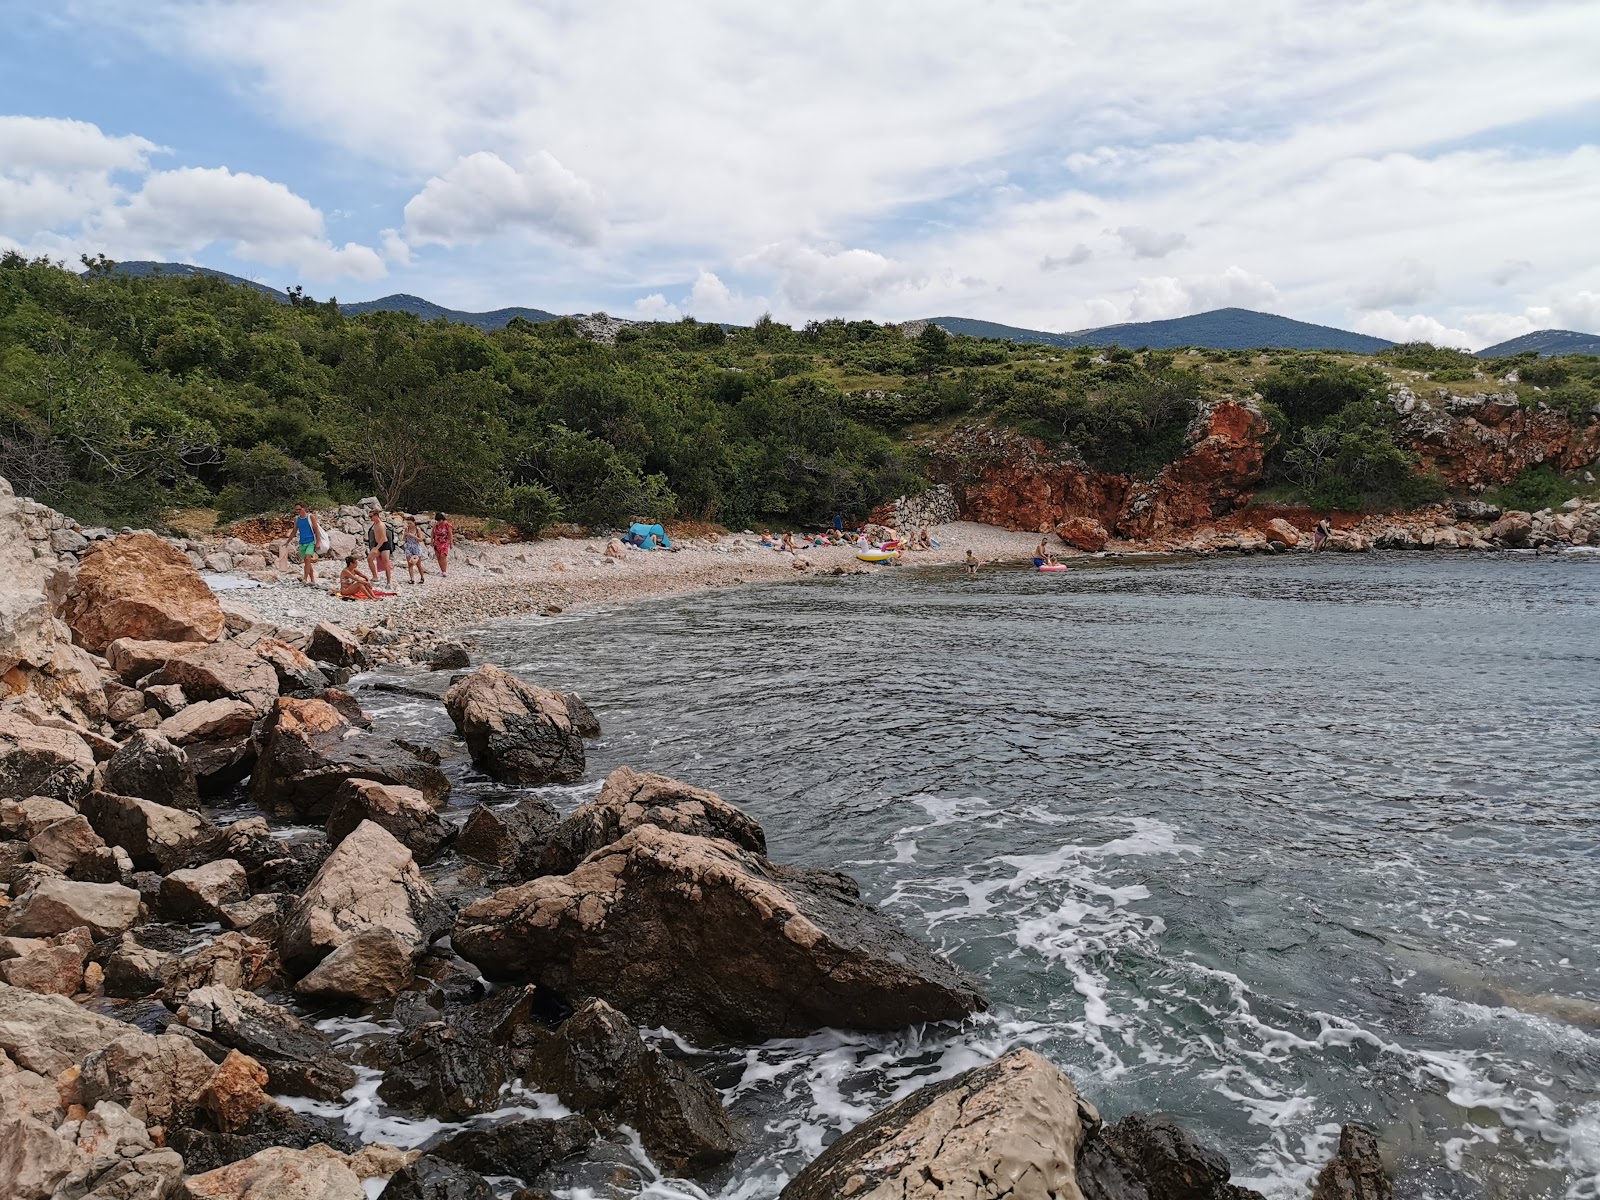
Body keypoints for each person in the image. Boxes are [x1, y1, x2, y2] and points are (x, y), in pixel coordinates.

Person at [293, 503, 323, 586]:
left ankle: (305, 579)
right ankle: (313, 579)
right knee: (307, 562)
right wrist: (288, 541)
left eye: (300, 509)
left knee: (307, 559)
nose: (298, 511)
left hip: (311, 541)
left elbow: (316, 529)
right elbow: (294, 531)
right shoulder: (296, 519)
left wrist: (318, 542)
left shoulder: (310, 517)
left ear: (304, 508)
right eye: (297, 510)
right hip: (302, 543)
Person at [367, 508, 394, 587]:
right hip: (377, 544)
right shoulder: (375, 525)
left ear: (376, 515)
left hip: (384, 545)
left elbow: (383, 538)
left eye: (371, 516)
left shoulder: (381, 525)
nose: (370, 518)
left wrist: (376, 548)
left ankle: (388, 582)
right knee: (369, 559)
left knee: (386, 564)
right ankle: (375, 577)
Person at [403, 515, 428, 584]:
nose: (409, 525)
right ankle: (412, 579)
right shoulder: (406, 529)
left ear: (414, 522)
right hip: (408, 547)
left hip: (416, 547)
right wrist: (405, 535)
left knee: (418, 564)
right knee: (410, 564)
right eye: (408, 523)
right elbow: (403, 539)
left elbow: (421, 539)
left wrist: (413, 536)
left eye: (410, 523)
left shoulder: (417, 529)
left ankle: (422, 577)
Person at [431, 512, 453, 577]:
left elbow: (450, 534)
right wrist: (431, 541)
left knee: (443, 555)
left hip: (444, 541)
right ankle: (442, 570)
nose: (438, 522)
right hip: (437, 541)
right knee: (438, 556)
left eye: (439, 520)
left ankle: (444, 571)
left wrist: (451, 543)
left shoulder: (447, 525)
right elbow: (432, 533)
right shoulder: (436, 525)